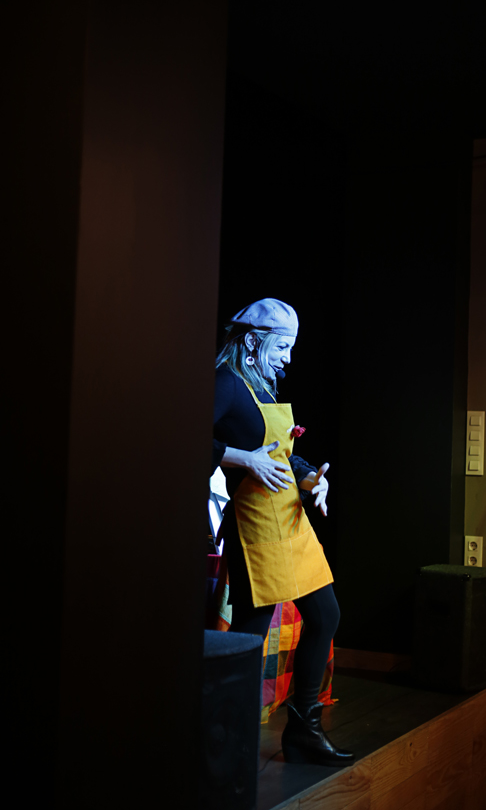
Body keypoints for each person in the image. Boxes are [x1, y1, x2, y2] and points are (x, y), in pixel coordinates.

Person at [212, 298, 354, 767]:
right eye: (283, 347)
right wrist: (242, 458)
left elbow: (281, 455)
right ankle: (222, 737)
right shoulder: (226, 383)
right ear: (254, 341)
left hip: (291, 521)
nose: (289, 359)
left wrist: (312, 478)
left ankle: (304, 732)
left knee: (326, 615)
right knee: (249, 636)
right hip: (256, 525)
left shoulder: (263, 386)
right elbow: (184, 435)